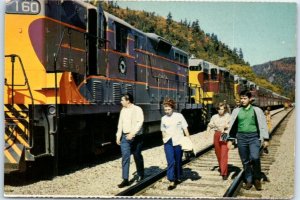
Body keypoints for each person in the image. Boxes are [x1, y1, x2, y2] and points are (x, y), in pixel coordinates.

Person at [226, 90, 269, 191]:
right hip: (241, 138)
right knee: (245, 160)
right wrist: (229, 140)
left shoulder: (257, 110)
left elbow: (263, 124)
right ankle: (249, 180)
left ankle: (257, 178)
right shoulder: (236, 111)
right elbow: (232, 126)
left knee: (255, 157)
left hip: (254, 137)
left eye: (245, 98)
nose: (242, 100)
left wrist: (266, 139)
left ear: (250, 99)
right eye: (241, 98)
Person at [161, 98, 190, 190]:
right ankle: (171, 180)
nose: (167, 111)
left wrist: (188, 140)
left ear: (172, 108)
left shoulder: (179, 116)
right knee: (171, 161)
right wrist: (164, 139)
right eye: (165, 110)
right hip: (168, 142)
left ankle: (177, 176)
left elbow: (185, 128)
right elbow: (163, 130)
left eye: (169, 109)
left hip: (178, 141)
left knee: (178, 161)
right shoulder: (163, 118)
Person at [116, 93, 144, 188]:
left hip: (136, 137)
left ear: (128, 100)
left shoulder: (137, 109)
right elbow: (120, 124)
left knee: (137, 156)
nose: (121, 102)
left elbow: (140, 122)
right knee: (125, 157)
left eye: (122, 100)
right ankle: (125, 179)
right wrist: (118, 135)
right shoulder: (123, 110)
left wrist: (132, 133)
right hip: (125, 137)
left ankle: (140, 174)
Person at [207, 102, 231, 180]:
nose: (220, 111)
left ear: (225, 109)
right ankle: (221, 166)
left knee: (224, 153)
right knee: (218, 153)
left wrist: (225, 127)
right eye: (218, 109)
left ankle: (224, 172)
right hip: (217, 134)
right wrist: (207, 133)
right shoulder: (214, 117)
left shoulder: (228, 116)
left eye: (221, 109)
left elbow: (230, 125)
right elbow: (210, 125)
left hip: (224, 134)